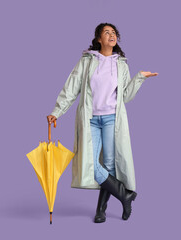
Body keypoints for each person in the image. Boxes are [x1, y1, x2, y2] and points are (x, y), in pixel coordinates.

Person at [46, 23, 158, 223]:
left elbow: (125, 96)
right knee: (90, 163)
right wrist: (57, 111)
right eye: (107, 32)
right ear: (99, 39)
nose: (111, 35)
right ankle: (125, 195)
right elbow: (71, 87)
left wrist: (139, 78)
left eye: (114, 32)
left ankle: (101, 211)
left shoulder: (121, 64)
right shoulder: (87, 61)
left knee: (108, 165)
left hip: (111, 120)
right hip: (90, 119)